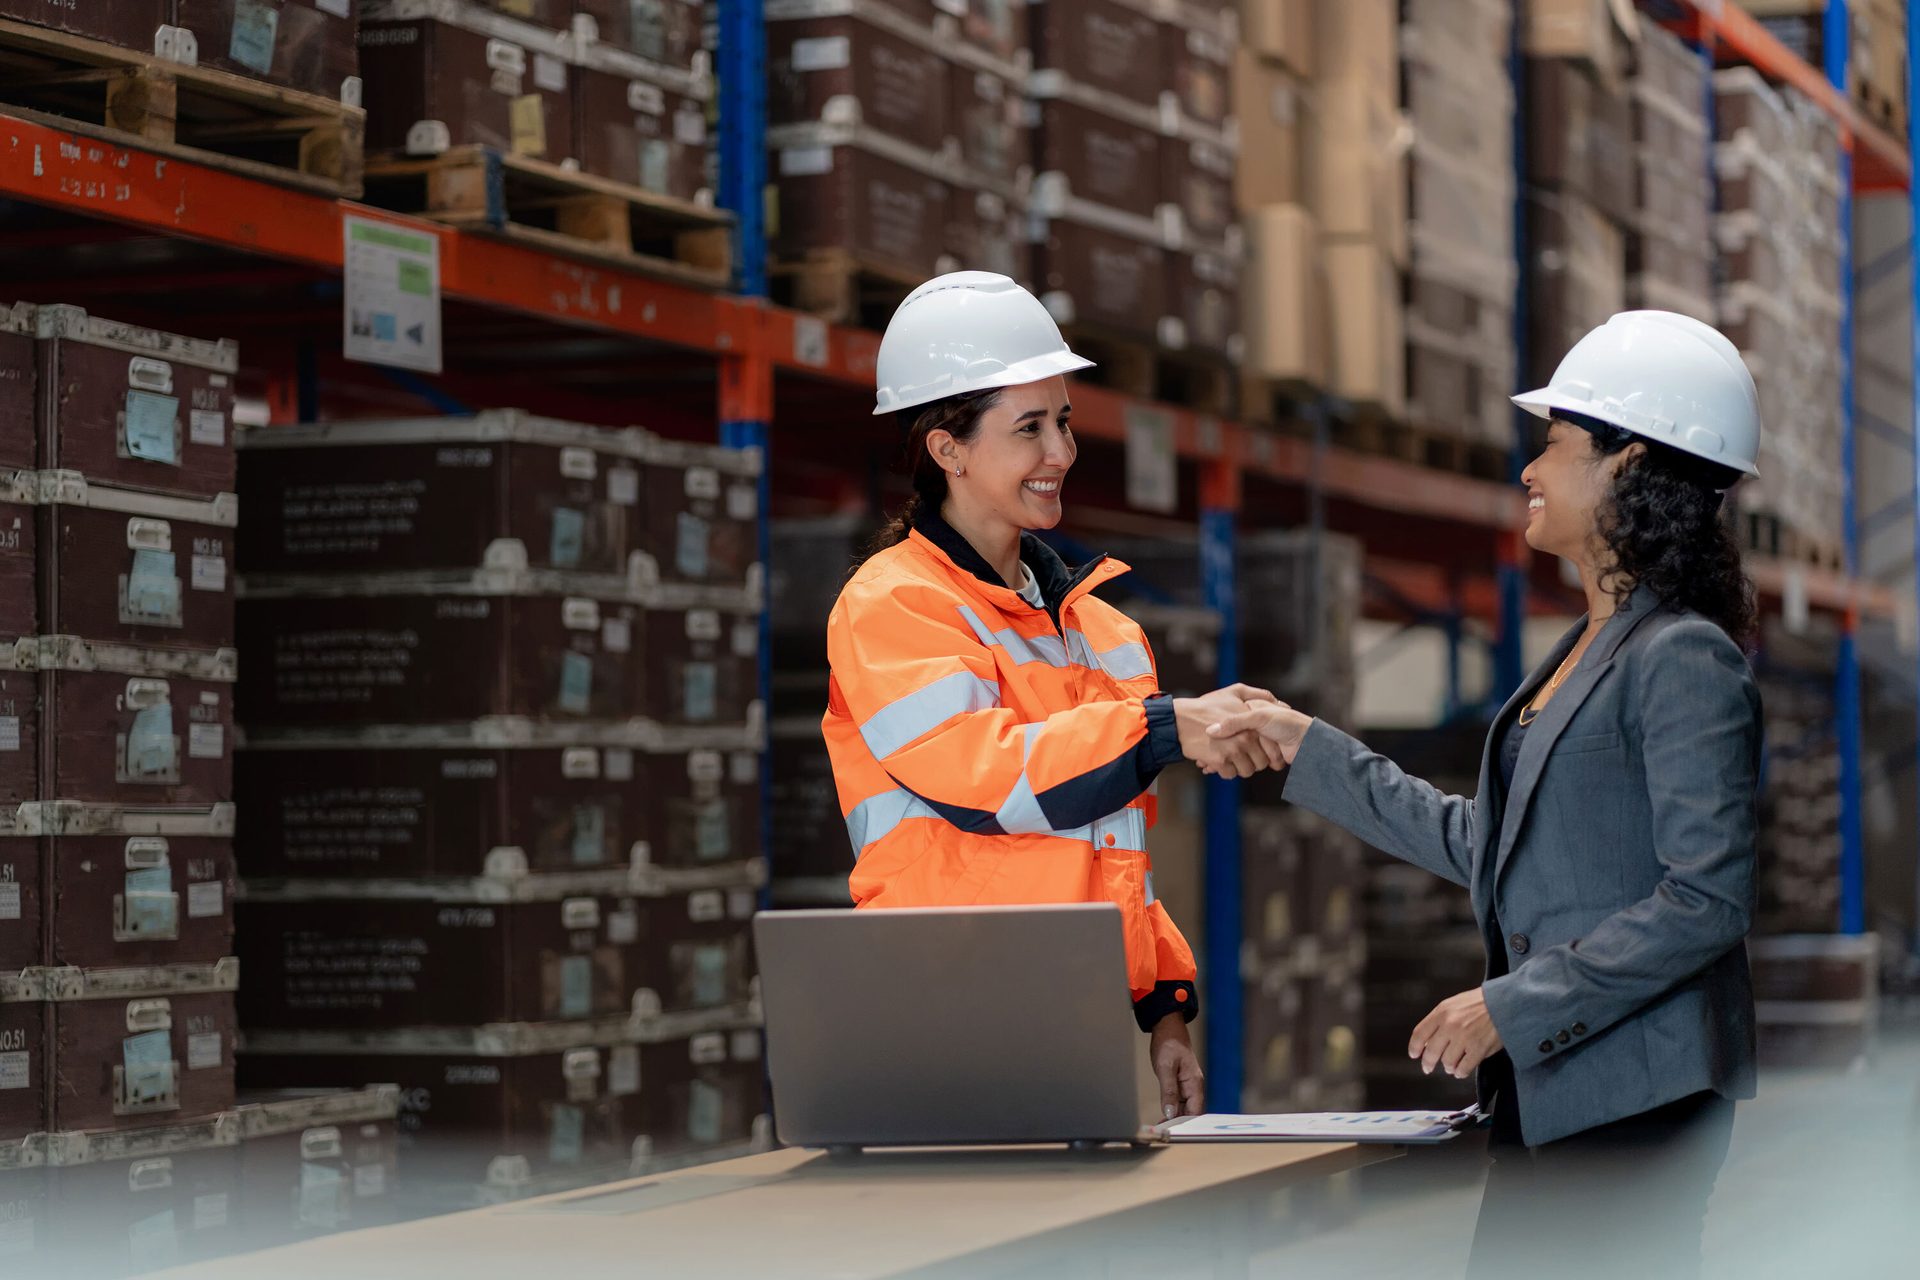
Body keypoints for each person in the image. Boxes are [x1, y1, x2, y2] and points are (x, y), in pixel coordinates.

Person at [1206, 311, 1764, 1275]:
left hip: (1635, 1099)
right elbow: (1494, 843)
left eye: (1554, 446)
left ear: (1626, 467)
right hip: (1560, 1086)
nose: (1529, 471)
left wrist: (1518, 1003)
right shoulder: (1595, 645)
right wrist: (1311, 749)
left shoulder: (1682, 658)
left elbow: (1706, 898)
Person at [821, 271, 1281, 1119]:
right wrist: (1168, 726)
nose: (1061, 452)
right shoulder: (894, 606)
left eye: (1063, 420)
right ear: (947, 449)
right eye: (1028, 428)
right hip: (949, 1012)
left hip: (1072, 1011)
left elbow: (1113, 847)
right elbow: (991, 782)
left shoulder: (1102, 629)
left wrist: (1163, 1007)